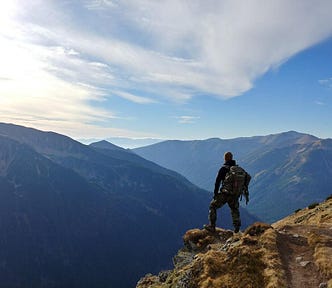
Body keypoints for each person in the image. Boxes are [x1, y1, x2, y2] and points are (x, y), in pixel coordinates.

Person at [204, 151, 242, 233]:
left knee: (213, 206)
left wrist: (215, 194)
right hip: (235, 194)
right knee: (234, 209)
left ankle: (212, 226)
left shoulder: (223, 169)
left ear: (225, 158)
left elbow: (217, 182)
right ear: (232, 158)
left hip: (225, 193)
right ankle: (237, 228)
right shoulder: (237, 169)